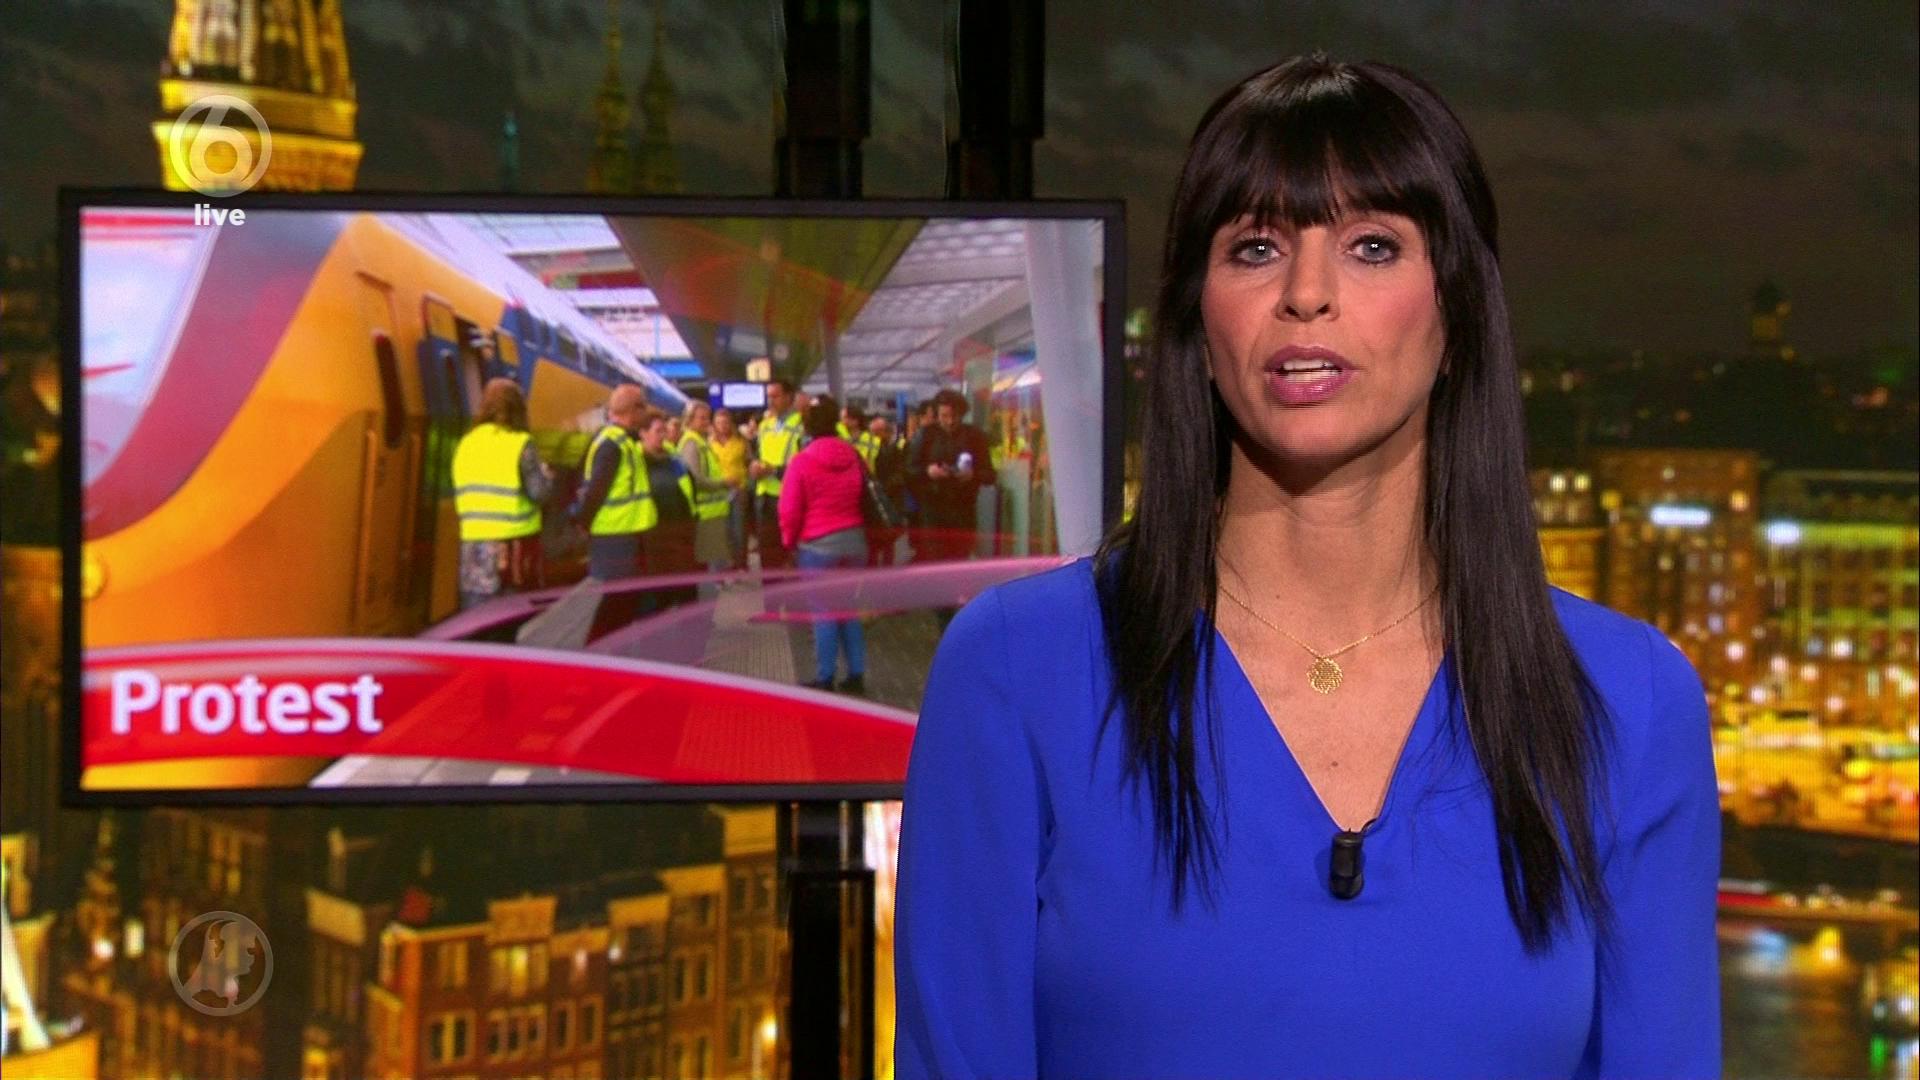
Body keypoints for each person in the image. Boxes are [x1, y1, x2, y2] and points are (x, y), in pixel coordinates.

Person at [893, 55, 1721, 1080]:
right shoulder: (1016, 670)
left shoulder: (1629, 702)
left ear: (1459, 312)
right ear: (1197, 319)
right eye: (1255, 248)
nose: (1307, 295)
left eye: (1373, 246)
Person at [778, 395, 868, 693]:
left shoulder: (801, 461)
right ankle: (856, 675)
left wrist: (789, 542)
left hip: (818, 546)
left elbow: (789, 511)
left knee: (824, 612)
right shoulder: (854, 456)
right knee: (848, 609)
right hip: (854, 542)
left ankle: (825, 678)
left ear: (807, 426)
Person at [452, 378, 552, 609]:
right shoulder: (521, 444)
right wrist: (547, 477)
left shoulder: (466, 443)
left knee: (477, 611)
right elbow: (539, 493)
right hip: (513, 548)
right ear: (519, 409)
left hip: (474, 543)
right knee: (511, 614)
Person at [572, 384, 650, 631]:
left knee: (622, 604)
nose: (647, 412)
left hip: (623, 534)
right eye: (643, 406)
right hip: (615, 537)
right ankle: (598, 650)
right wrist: (583, 523)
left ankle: (609, 648)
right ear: (633, 410)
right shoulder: (612, 444)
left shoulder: (622, 441)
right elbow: (595, 490)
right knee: (616, 605)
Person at [905, 388, 995, 564]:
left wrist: (973, 475)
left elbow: (990, 475)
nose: (950, 421)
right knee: (933, 561)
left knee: (959, 562)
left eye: (955, 416)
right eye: (944, 416)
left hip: (963, 512)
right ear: (936, 414)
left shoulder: (975, 436)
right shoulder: (925, 435)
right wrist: (928, 472)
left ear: (962, 413)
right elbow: (909, 470)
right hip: (932, 512)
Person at [636, 410, 698, 611]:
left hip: (681, 529)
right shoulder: (636, 461)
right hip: (654, 533)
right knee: (660, 591)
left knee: (687, 589)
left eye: (665, 430)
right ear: (643, 433)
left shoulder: (673, 457)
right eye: (658, 431)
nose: (663, 435)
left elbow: (689, 486)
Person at [678, 401, 738, 589]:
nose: (707, 422)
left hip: (713, 510)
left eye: (707, 418)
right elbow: (696, 480)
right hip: (705, 512)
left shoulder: (700, 440)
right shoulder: (691, 443)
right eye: (702, 418)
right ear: (690, 420)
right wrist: (724, 483)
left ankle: (717, 584)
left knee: (715, 555)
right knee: (709, 561)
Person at [749, 379, 804, 570]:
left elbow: (804, 465)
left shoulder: (801, 425)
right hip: (764, 496)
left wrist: (774, 470)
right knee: (768, 557)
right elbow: (759, 454)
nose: (770, 401)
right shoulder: (765, 425)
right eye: (768, 396)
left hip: (790, 497)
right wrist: (754, 465)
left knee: (791, 555)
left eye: (775, 396)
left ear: (789, 397)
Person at [710, 407, 752, 571]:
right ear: (714, 425)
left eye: (725, 422)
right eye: (719, 423)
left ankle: (740, 563)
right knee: (724, 529)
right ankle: (726, 563)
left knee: (739, 529)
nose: (723, 426)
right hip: (719, 491)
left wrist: (746, 487)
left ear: (731, 423)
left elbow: (749, 463)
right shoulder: (709, 443)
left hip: (739, 490)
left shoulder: (741, 441)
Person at [866, 413, 908, 566]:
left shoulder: (898, 447)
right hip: (878, 496)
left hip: (891, 497)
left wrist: (884, 487)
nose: (873, 437)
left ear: (885, 432)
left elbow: (902, 473)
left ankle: (886, 567)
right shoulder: (875, 447)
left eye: (876, 433)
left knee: (888, 537)